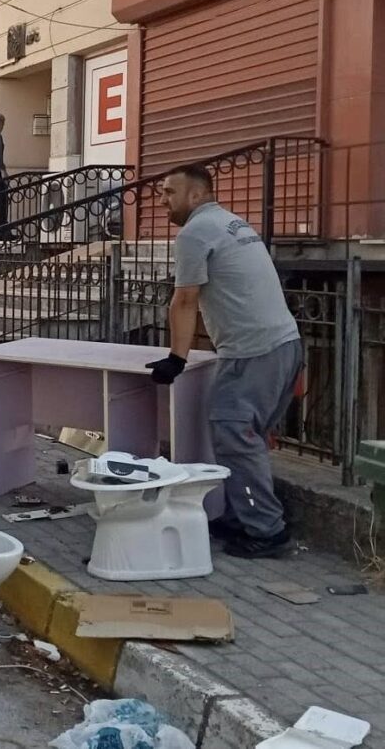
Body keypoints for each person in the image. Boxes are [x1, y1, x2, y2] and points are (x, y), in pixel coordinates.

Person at [146, 163, 302, 559]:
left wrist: (176, 359)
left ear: (196, 195)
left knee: (234, 434)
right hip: (284, 345)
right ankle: (241, 517)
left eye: (169, 192)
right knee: (245, 437)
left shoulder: (195, 232)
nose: (162, 200)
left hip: (253, 352)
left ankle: (266, 531)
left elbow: (185, 300)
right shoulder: (231, 222)